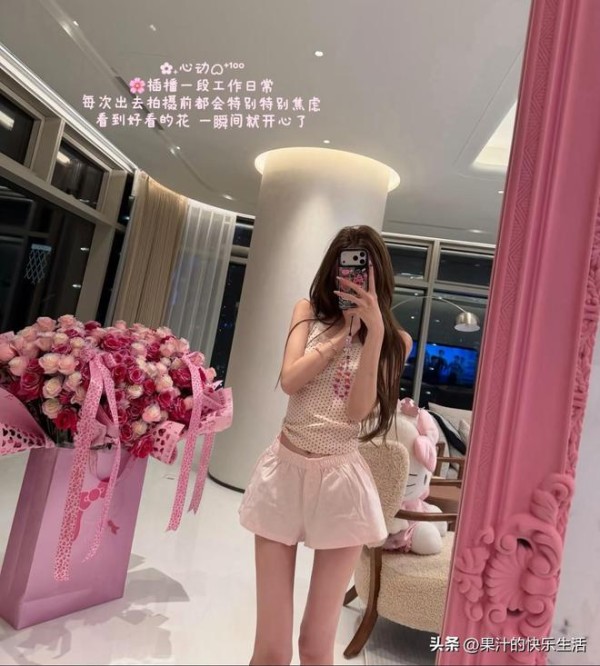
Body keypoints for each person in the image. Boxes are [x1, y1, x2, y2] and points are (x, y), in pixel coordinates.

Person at [238, 226, 413, 666]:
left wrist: (373, 334)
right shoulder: (307, 313)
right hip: (284, 472)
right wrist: (341, 336)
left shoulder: (395, 341)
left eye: (362, 269)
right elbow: (290, 380)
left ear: (378, 275)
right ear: (333, 269)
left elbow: (357, 412)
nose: (352, 277)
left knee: (315, 646)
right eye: (345, 266)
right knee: (271, 649)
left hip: (340, 484)